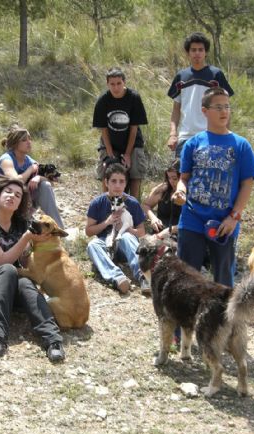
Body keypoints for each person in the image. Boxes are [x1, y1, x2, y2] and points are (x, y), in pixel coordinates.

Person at [172, 87, 254, 288]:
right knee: (186, 275)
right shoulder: (193, 143)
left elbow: (247, 184)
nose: (224, 112)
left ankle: (223, 319)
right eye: (218, 107)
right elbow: (183, 178)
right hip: (192, 217)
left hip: (224, 221)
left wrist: (234, 217)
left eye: (227, 107)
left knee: (223, 277)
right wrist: (180, 191)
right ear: (204, 111)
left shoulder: (241, 145)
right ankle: (187, 317)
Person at [0, 177, 65, 363]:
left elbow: (23, 259)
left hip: (14, 286)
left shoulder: (21, 223)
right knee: (8, 269)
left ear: (20, 203)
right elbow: (1, 260)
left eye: (18, 195)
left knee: (24, 280)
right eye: (8, 192)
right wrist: (25, 238)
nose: (12, 196)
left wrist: (39, 244)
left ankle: (53, 339)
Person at [167, 32, 234, 158]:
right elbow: (176, 109)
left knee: (211, 177)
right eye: (193, 50)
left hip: (212, 136)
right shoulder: (181, 76)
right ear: (188, 53)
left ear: (206, 52)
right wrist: (173, 134)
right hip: (185, 138)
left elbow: (226, 108)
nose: (197, 53)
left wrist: (226, 135)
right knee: (183, 177)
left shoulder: (216, 75)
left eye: (200, 50)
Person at [86, 163, 148, 294]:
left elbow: (141, 232)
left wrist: (127, 229)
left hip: (125, 246)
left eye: (121, 181)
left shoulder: (132, 203)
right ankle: (117, 278)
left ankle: (143, 276)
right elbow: (88, 231)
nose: (118, 186)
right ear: (106, 182)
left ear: (126, 184)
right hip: (106, 244)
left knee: (127, 237)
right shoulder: (97, 203)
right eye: (113, 181)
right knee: (92, 245)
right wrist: (107, 223)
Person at [92, 67, 148, 199]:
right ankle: (107, 203)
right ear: (107, 84)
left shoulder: (133, 97)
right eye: (112, 84)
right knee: (107, 171)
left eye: (119, 83)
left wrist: (128, 154)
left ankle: (135, 205)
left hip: (132, 142)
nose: (115, 87)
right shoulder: (102, 101)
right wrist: (110, 154)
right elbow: (103, 129)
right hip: (110, 141)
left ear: (124, 82)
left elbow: (134, 127)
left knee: (135, 172)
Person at [0, 127, 65, 229]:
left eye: (29, 139)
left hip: (22, 203)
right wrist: (31, 170)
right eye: (24, 140)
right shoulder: (7, 159)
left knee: (45, 185)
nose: (29, 142)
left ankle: (58, 229)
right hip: (3, 204)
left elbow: (52, 181)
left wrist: (39, 178)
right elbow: (16, 180)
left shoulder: (29, 160)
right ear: (15, 143)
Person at [142, 160, 182, 237]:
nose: (171, 182)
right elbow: (145, 205)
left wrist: (170, 230)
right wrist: (153, 218)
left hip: (179, 233)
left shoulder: (191, 193)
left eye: (174, 178)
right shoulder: (163, 189)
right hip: (159, 230)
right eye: (169, 178)